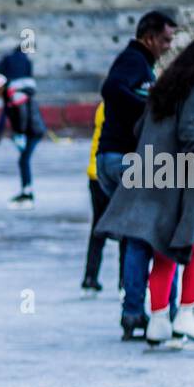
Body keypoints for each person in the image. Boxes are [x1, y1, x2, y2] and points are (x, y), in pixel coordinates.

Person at [95, 40, 194, 350]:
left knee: (163, 250)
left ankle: (157, 322)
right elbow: (189, 129)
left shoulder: (163, 91)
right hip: (180, 178)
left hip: (152, 175)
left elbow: (140, 129)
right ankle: (187, 313)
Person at [97, 11, 179, 340]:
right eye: (165, 39)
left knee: (136, 234)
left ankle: (133, 312)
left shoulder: (140, 63)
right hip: (124, 159)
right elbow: (111, 89)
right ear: (148, 37)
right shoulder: (133, 59)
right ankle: (151, 312)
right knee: (148, 236)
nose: (168, 46)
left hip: (113, 158)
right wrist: (150, 111)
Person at [0, 66, 45, 209]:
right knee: (23, 161)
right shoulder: (8, 95)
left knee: (23, 160)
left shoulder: (15, 94)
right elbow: (5, 116)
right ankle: (26, 190)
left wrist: (20, 133)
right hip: (27, 132)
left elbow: (23, 116)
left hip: (33, 131)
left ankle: (27, 193)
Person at [82, 101, 123, 296]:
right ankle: (125, 282)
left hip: (95, 173)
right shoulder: (125, 106)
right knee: (126, 228)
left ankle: (90, 279)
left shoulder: (103, 106)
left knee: (97, 228)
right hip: (113, 175)